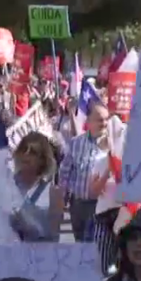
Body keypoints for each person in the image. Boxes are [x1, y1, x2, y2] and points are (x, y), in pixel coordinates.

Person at [59, 103, 112, 243]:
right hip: (78, 205)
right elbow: (65, 171)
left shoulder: (113, 145)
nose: (104, 123)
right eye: (100, 119)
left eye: (107, 119)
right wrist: (63, 196)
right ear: (88, 121)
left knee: (96, 245)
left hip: (101, 207)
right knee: (81, 243)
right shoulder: (76, 143)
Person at [10, 132, 64, 242]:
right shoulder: (7, 184)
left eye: (33, 152)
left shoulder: (54, 193)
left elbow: (53, 236)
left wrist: (27, 224)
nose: (26, 155)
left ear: (43, 159)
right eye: (23, 149)